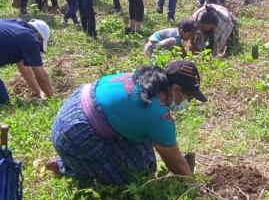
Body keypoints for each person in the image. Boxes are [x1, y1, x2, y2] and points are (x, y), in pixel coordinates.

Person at [46, 60, 207, 186]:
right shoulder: (158, 115)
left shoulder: (145, 80)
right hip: (75, 134)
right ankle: (64, 166)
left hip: (71, 108)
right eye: (189, 97)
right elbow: (177, 164)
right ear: (176, 89)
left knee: (145, 154)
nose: (188, 102)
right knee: (136, 174)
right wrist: (193, 188)